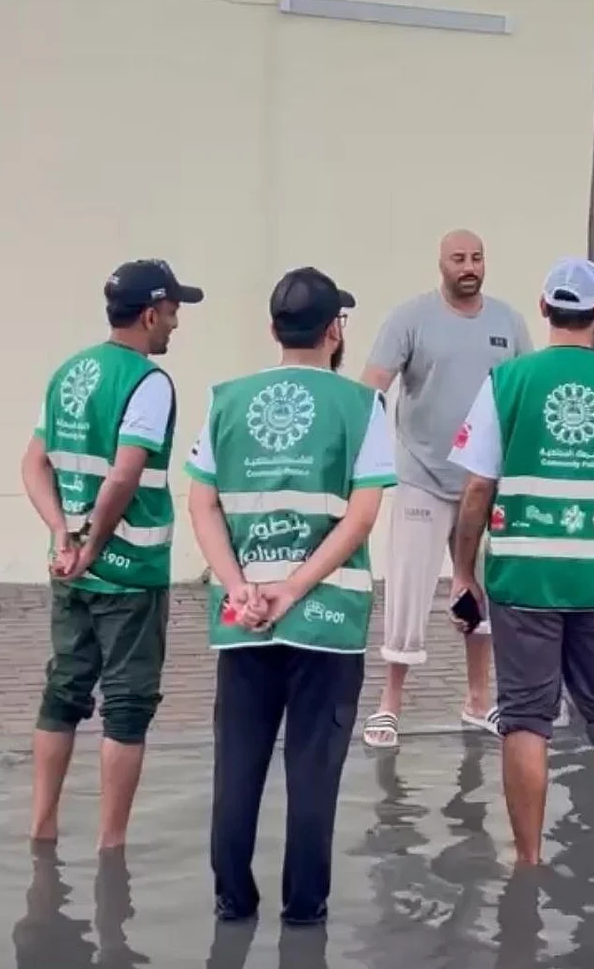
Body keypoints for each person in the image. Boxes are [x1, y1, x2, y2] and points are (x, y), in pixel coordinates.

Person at [448, 257, 594, 867]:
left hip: (524, 577)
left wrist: (464, 572)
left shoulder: (507, 381)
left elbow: (477, 490)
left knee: (526, 719)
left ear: (544, 309)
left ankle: (528, 860)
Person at [185, 267, 396, 926]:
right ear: (335, 329)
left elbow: (202, 504)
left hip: (243, 616)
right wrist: (296, 587)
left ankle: (232, 898)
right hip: (327, 619)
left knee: (237, 763)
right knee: (313, 770)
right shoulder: (362, 406)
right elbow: (361, 516)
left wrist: (239, 585)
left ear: (273, 328)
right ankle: (304, 908)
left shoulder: (226, 400)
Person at [20, 258, 204, 849]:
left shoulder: (70, 372)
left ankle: (42, 828)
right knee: (127, 706)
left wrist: (63, 535)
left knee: (63, 691)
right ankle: (111, 844)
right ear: (149, 314)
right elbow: (125, 476)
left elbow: (33, 463)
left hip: (69, 571)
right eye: (172, 311)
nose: (175, 323)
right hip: (129, 575)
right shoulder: (148, 382)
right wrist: (94, 544)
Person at [360, 230, 533, 750]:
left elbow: (525, 391)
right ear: (441, 264)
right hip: (422, 476)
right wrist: (363, 460)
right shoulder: (410, 318)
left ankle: (478, 701)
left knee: (481, 592)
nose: (469, 267)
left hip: (485, 482)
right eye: (459, 259)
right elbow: (372, 387)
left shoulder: (508, 322)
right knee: (407, 590)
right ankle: (389, 704)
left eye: (477, 258)